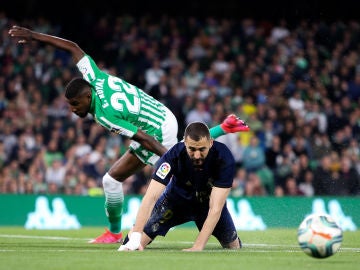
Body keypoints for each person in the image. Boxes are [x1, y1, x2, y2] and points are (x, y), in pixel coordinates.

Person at [9, 25, 250, 243]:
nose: (73, 110)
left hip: (157, 129)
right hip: (158, 114)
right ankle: (114, 233)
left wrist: (173, 158)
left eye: (75, 104)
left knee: (178, 171)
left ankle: (180, 216)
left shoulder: (105, 114)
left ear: (87, 97)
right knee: (111, 180)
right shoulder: (94, 77)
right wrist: (33, 36)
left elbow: (144, 139)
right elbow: (72, 47)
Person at [119, 121, 242, 251]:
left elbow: (215, 208)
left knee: (233, 247)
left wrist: (198, 247)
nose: (197, 155)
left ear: (211, 143)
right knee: (133, 245)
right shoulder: (173, 156)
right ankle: (132, 235)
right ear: (185, 144)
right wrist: (136, 236)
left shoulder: (224, 157)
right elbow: (150, 197)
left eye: (202, 149)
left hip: (207, 205)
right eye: (192, 149)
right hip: (174, 202)